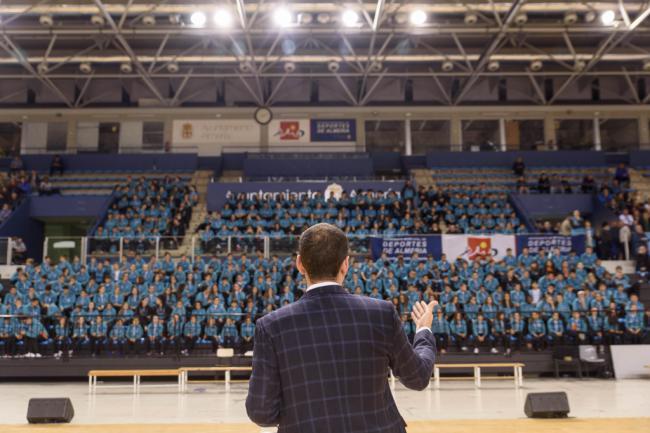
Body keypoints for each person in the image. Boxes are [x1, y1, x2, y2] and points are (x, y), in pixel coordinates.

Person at [246, 223, 436, 433]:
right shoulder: (381, 313)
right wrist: (423, 331)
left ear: (300, 264)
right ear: (346, 264)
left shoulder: (272, 326)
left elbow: (261, 411)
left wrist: (302, 416)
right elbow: (418, 377)